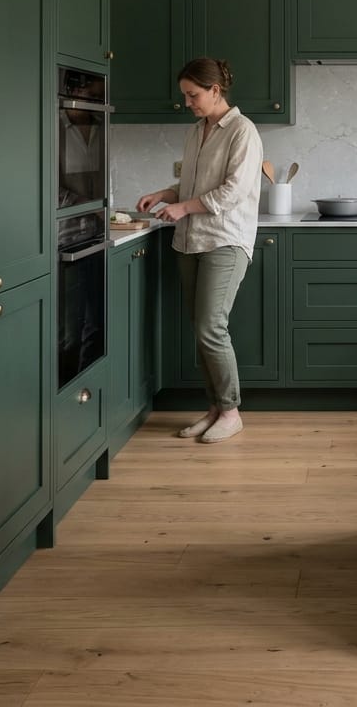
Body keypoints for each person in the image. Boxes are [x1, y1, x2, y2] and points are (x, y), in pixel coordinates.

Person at [136, 58, 263, 443]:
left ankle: (231, 411)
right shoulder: (195, 132)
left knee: (211, 326)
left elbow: (233, 191)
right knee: (202, 329)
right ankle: (214, 410)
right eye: (185, 96)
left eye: (193, 95)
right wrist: (165, 194)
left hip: (225, 239)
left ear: (215, 91)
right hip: (190, 240)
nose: (187, 102)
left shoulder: (243, 131)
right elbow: (191, 185)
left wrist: (183, 208)